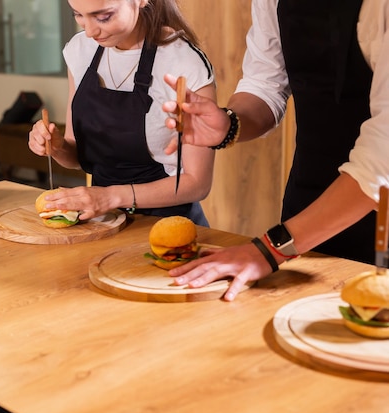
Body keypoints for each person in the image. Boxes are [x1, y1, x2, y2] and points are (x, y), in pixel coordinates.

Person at [160, 0, 389, 300]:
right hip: (308, 196)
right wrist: (229, 123)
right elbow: (265, 82)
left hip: (379, 210)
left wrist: (270, 249)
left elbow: (381, 158)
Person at [28, 0, 216, 225]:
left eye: (103, 17)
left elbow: (197, 183)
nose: (89, 31)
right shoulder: (80, 51)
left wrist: (110, 196)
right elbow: (77, 156)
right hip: (102, 222)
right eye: (77, 15)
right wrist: (57, 147)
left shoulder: (183, 62)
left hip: (169, 227)